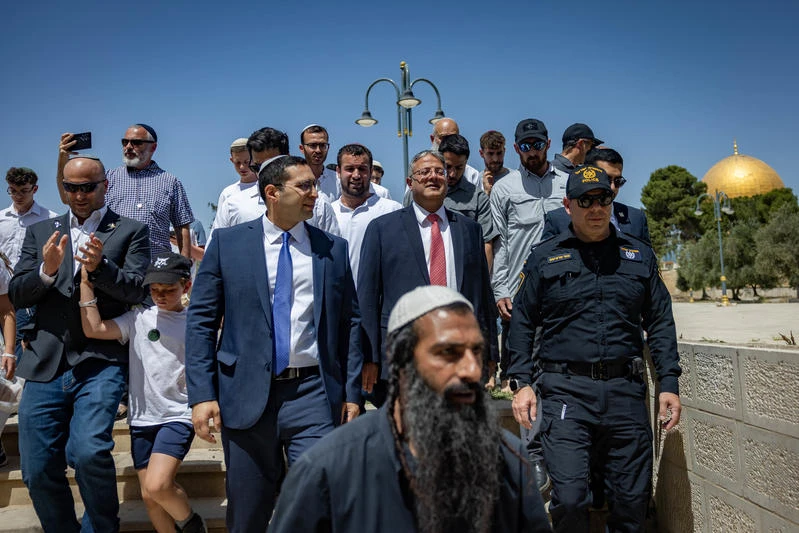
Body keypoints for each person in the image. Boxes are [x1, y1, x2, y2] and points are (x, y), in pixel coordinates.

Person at [269, 285, 552, 533]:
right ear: (399, 358)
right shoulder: (329, 471)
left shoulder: (509, 460)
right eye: (448, 353)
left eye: (476, 352)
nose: (469, 370)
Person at [186, 155, 363, 532]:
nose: (315, 193)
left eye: (315, 185)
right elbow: (200, 321)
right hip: (245, 396)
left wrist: (351, 392)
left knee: (318, 503)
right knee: (248, 513)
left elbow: (351, 323)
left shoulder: (332, 248)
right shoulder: (228, 244)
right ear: (272, 192)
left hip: (314, 395)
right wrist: (202, 395)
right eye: (305, 186)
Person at [507, 165, 682, 532]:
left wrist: (669, 382)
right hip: (566, 393)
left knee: (632, 501)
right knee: (570, 500)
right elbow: (522, 322)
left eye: (603, 199)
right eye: (585, 201)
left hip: (625, 393)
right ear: (568, 205)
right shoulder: (544, 257)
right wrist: (521, 381)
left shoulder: (639, 257)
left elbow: (661, 323)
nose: (596, 208)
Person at [9, 155, 150, 532]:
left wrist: (102, 267)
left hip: (100, 362)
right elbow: (18, 293)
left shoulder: (131, 230)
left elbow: (138, 289)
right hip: (44, 362)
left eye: (88, 186)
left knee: (89, 453)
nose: (79, 194)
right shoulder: (42, 231)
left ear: (105, 185)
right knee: (37, 470)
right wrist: (47, 271)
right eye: (71, 187)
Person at [79, 251, 206, 533]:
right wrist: (86, 284)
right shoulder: (137, 318)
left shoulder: (195, 322)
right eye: (155, 289)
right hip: (141, 418)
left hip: (177, 414)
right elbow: (95, 329)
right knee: (150, 497)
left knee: (158, 484)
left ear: (186, 287)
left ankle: (193, 525)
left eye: (169, 289)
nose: (160, 295)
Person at [358, 150, 497, 407]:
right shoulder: (382, 229)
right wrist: (369, 358)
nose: (433, 177)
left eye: (439, 171)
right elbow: (367, 298)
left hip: (459, 358)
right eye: (424, 172)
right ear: (410, 183)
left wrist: (490, 352)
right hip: (404, 359)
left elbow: (483, 296)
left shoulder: (469, 230)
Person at [490, 118, 568, 490]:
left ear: (548, 143)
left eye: (537, 144)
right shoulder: (504, 189)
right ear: (517, 148)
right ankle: (533, 456)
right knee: (526, 379)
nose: (532, 151)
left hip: (565, 295)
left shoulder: (568, 185)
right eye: (525, 145)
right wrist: (500, 289)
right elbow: (500, 243)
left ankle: (563, 456)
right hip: (521, 298)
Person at [58, 124, 195, 259]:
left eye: (136, 142)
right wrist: (63, 158)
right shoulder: (108, 178)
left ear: (153, 147)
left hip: (155, 269)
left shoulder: (170, 182)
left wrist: (184, 266)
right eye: (125, 142)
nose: (128, 147)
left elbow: (182, 226)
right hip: (113, 267)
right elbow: (66, 198)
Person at [0, 167, 57, 464]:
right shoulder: (0, 219)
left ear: (35, 189)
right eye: (12, 191)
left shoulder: (49, 218)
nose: (18, 196)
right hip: (1, 293)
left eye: (23, 191)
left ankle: (28, 410)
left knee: (23, 350)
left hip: (31, 294)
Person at [209, 127, 340, 241]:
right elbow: (214, 256)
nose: (264, 175)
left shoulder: (317, 205)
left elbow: (335, 257)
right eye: (258, 167)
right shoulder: (233, 205)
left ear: (287, 158)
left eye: (270, 166)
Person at [543, 147, 650, 243]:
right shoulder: (557, 220)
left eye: (618, 181)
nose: (612, 187)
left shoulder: (636, 218)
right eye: (606, 179)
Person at [331, 144, 401, 284]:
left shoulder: (392, 211)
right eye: (349, 169)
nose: (356, 175)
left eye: (362, 169)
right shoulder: (328, 213)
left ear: (370, 171)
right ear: (338, 172)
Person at [209, 138, 258, 236]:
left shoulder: (266, 188)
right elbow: (219, 229)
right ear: (231, 160)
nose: (242, 167)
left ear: (254, 159)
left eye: (246, 162)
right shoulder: (227, 193)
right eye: (237, 163)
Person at [299, 124, 339, 202]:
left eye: (322, 145)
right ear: (302, 149)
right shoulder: (293, 179)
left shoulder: (338, 181)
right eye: (312, 145)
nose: (318, 150)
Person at [478, 130, 511, 195]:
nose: (495, 159)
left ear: (504, 151)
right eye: (490, 153)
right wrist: (486, 193)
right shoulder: (475, 182)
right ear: (481, 153)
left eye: (499, 153)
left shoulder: (516, 179)